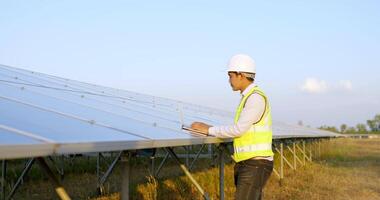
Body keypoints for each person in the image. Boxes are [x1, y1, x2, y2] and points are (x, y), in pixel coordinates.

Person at [191, 54, 274, 200]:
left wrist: (208, 130)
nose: (229, 80)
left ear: (240, 75)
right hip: (249, 163)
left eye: (230, 76)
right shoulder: (249, 97)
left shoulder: (255, 98)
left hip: (255, 164)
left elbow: (238, 129)